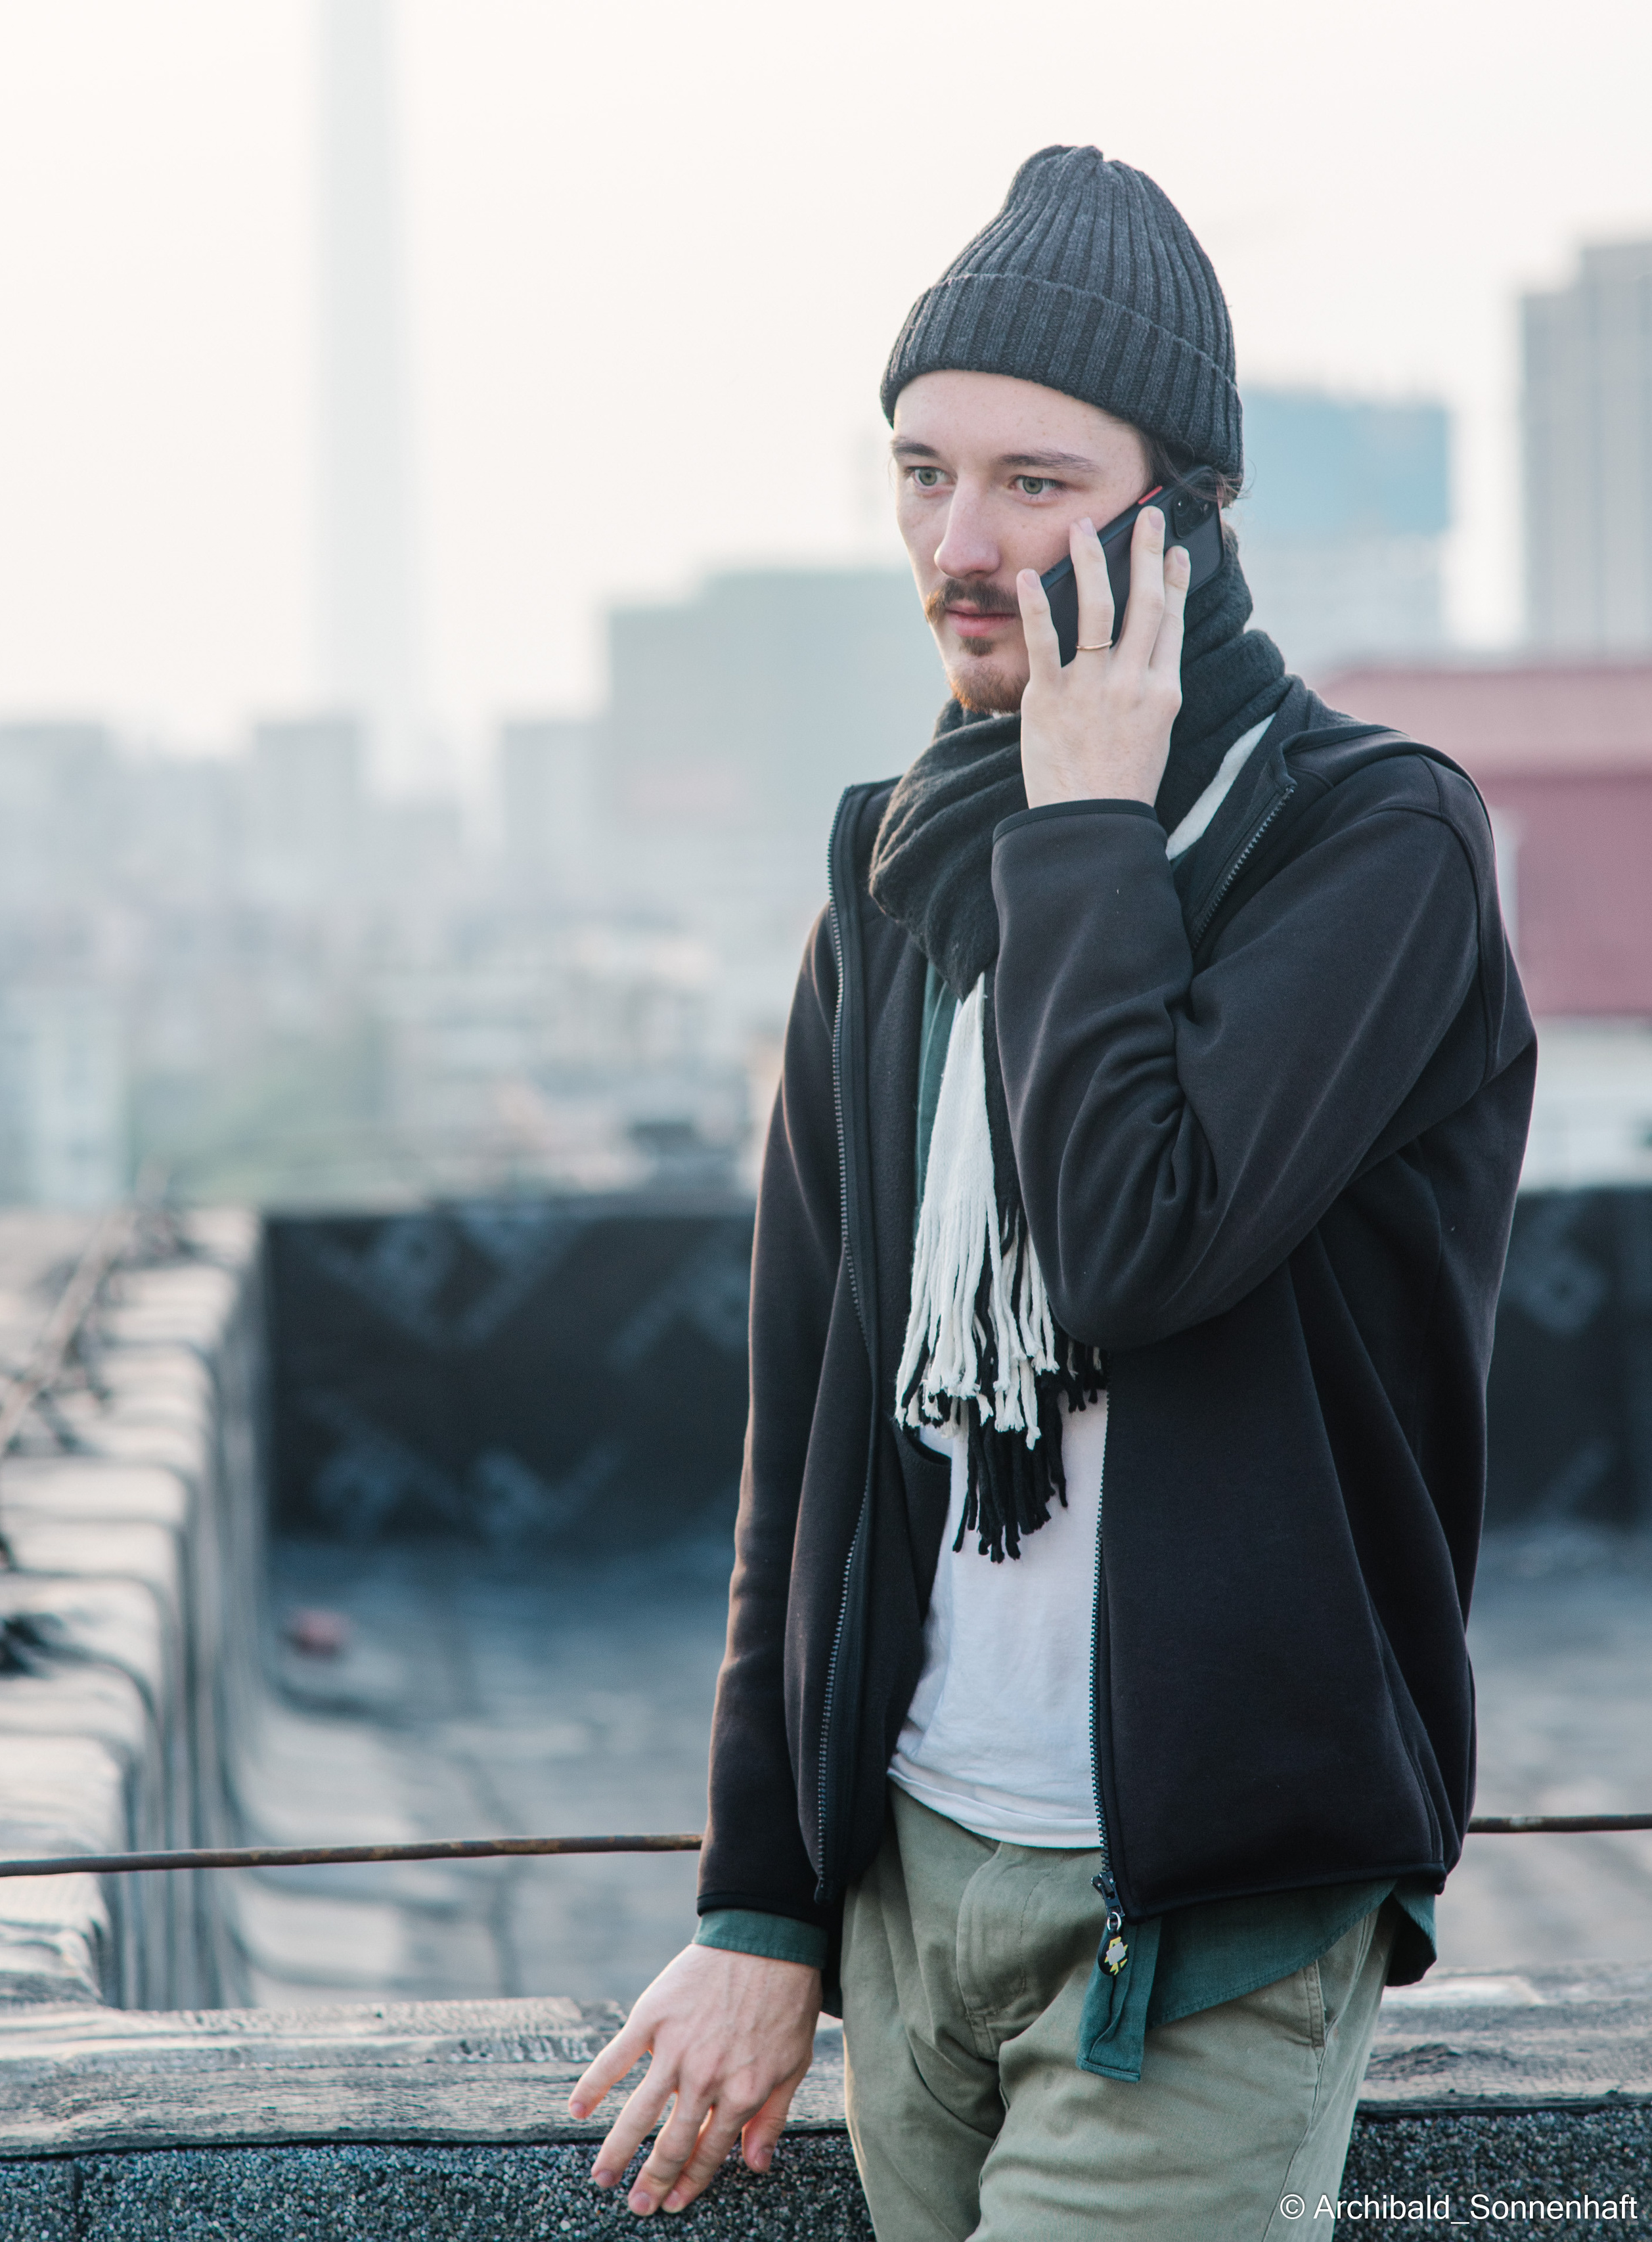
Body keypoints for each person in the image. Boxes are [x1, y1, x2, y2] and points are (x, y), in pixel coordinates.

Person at [569, 143, 1534, 2239]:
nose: (959, 542)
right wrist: (761, 1896)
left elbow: (1133, 1248)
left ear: (1184, 509)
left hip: (1196, 1909)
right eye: (921, 473)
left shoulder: (1373, 851)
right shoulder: (897, 863)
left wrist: (1091, 827)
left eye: (1035, 481)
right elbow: (812, 1413)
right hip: (917, 1879)